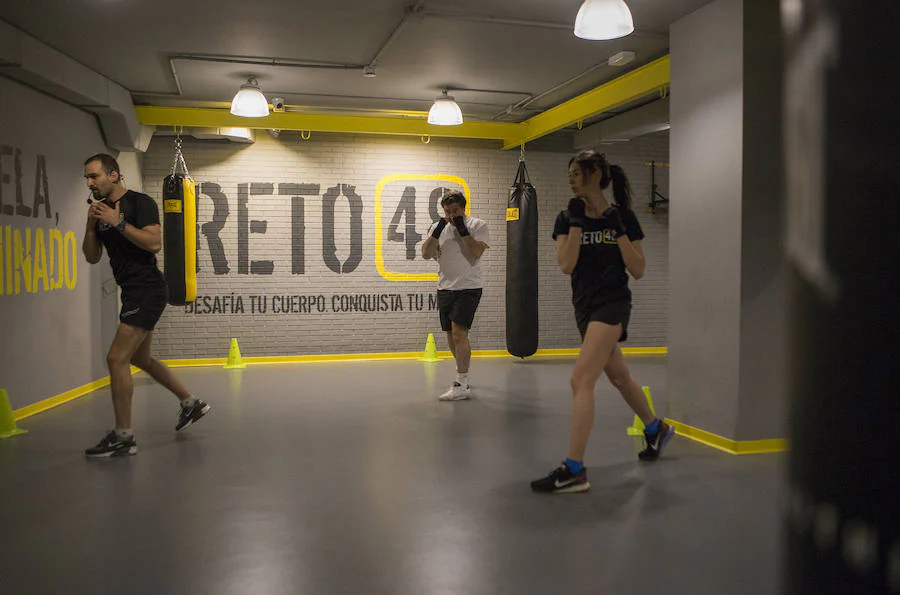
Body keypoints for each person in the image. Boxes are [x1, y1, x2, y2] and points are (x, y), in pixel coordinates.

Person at [531, 150, 674, 494]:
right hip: (584, 306)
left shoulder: (623, 216)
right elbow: (566, 265)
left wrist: (618, 229)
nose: (571, 178)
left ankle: (574, 469)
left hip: (613, 304)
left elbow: (638, 269)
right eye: (570, 173)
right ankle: (655, 429)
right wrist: (579, 223)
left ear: (596, 173)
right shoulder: (567, 217)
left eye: (576, 172)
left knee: (581, 380)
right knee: (620, 378)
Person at [81, 154, 209, 457]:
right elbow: (91, 256)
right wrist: (91, 226)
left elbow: (153, 244)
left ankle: (123, 436)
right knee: (140, 358)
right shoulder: (98, 212)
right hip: (133, 291)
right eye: (86, 178)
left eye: (94, 176)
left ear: (113, 176)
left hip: (146, 289)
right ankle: (191, 403)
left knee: (116, 359)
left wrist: (118, 222)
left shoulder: (140, 204)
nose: (90, 183)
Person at [421, 190, 490, 401]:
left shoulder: (478, 225)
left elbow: (476, 252)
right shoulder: (438, 227)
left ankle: (461, 382)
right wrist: (436, 232)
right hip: (445, 287)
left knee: (459, 332)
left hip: (469, 286)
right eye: (448, 211)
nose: (451, 215)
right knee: (451, 336)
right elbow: (425, 254)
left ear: (463, 208)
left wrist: (461, 229)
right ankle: (464, 376)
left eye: (456, 211)